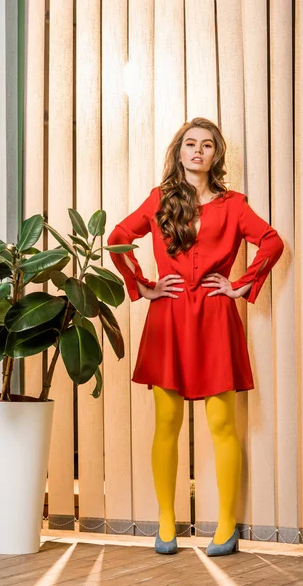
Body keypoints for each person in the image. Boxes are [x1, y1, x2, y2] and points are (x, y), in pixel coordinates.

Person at [106, 117, 285, 557]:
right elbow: (116, 240)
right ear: (180, 151)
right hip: (168, 318)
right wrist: (144, 286)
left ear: (216, 155)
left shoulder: (235, 205)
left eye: (207, 145)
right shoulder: (160, 200)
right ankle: (166, 524)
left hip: (215, 318)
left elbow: (272, 242)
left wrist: (240, 284)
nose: (198, 151)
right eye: (191, 143)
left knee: (222, 425)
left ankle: (226, 528)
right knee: (167, 423)